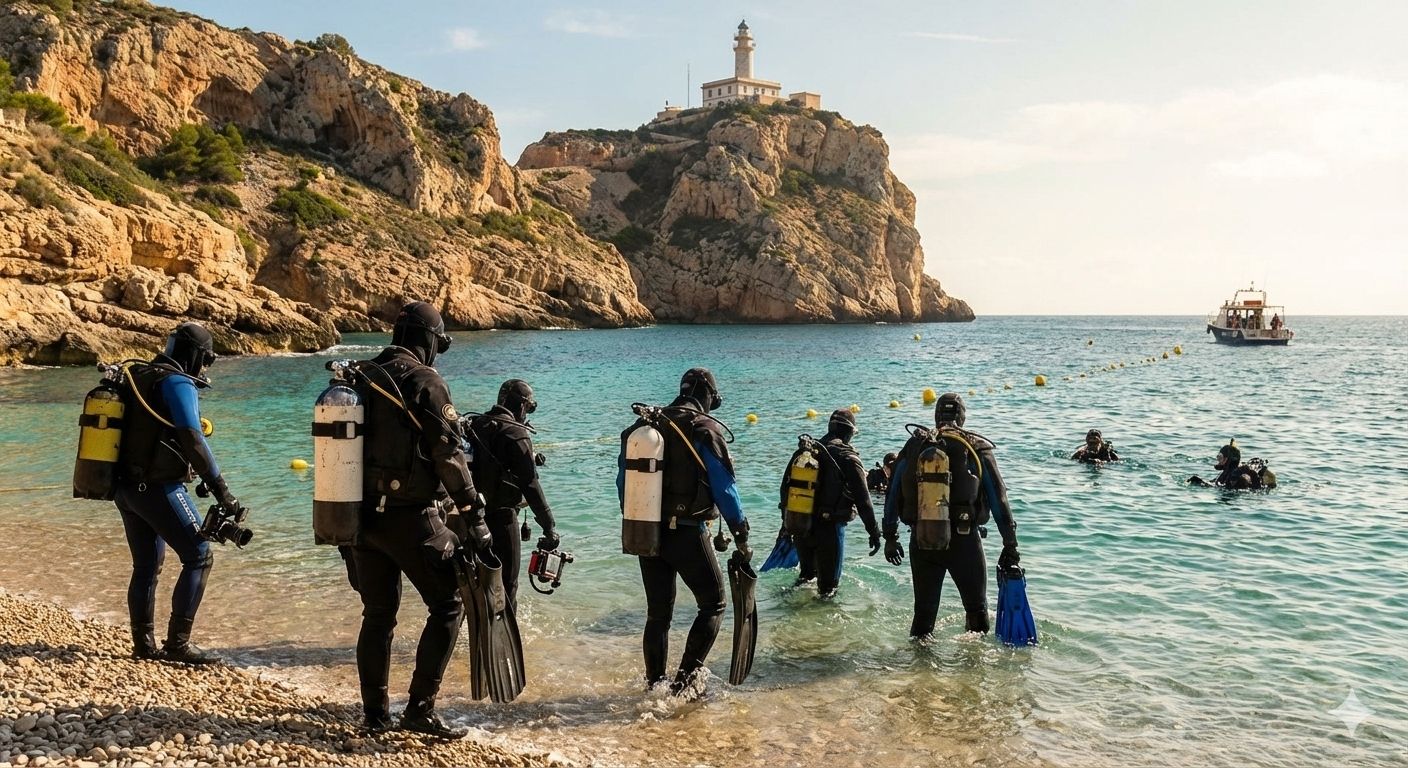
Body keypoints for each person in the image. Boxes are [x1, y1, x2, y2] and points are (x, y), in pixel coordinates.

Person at [349, 301, 489, 737]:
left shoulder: (361, 375)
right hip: (409, 516)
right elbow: (448, 454)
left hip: (358, 517)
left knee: (377, 613)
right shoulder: (426, 381)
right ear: (429, 340)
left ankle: (374, 714)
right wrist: (475, 516)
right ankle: (419, 709)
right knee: (448, 605)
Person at [618, 367, 750, 694]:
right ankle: (685, 684)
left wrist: (643, 517)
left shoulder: (645, 427)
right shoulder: (703, 429)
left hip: (646, 530)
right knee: (714, 603)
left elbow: (623, 484)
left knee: (658, 614)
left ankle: (654, 686)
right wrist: (741, 534)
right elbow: (725, 488)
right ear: (708, 395)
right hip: (687, 531)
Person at [116, 322, 242, 665]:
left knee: (146, 565)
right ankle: (177, 645)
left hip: (126, 489)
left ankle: (143, 645)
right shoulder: (176, 382)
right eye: (207, 360)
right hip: (158, 488)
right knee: (199, 555)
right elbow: (192, 436)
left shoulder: (139, 376)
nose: (205, 368)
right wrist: (221, 490)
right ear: (198, 356)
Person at [881, 393, 1020, 638]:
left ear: (936, 416)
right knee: (976, 613)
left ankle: (915, 670)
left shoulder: (915, 445)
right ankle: (973, 669)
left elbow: (893, 493)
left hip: (922, 539)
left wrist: (890, 536)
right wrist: (1010, 544)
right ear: (962, 417)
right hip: (964, 542)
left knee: (923, 615)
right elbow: (999, 499)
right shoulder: (975, 446)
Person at [464, 379, 560, 609]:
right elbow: (531, 485)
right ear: (523, 406)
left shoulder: (475, 424)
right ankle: (505, 642)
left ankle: (474, 636)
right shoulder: (517, 433)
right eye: (530, 407)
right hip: (502, 519)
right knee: (507, 586)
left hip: (471, 519)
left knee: (473, 583)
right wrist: (549, 526)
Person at [786, 410, 880, 598]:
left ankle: (786, 615)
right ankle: (820, 626)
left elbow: (785, 489)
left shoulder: (807, 452)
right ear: (849, 432)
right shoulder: (847, 457)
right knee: (828, 590)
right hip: (830, 530)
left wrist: (787, 525)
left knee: (806, 578)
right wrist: (874, 532)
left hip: (802, 525)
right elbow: (864, 501)